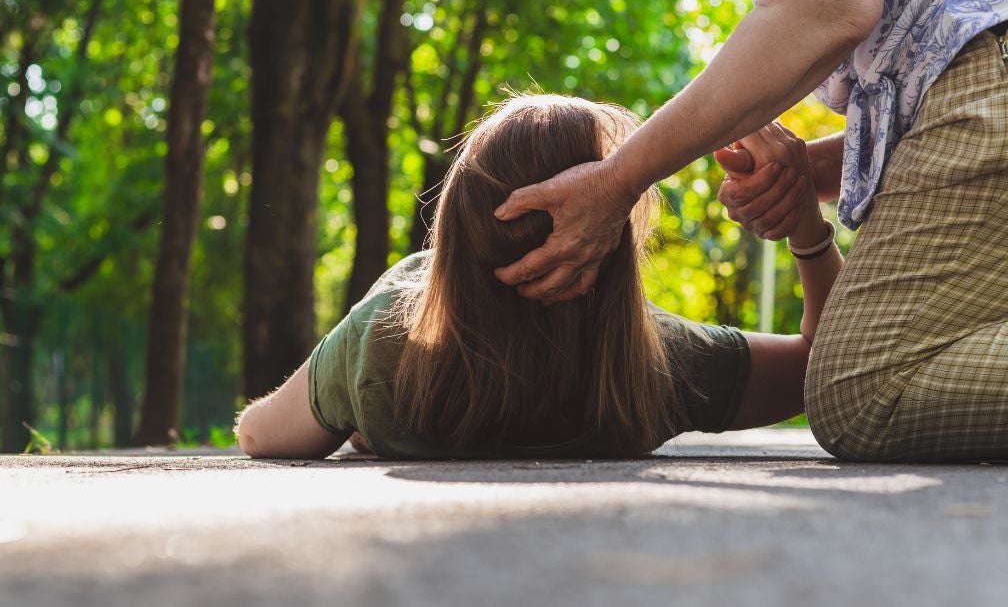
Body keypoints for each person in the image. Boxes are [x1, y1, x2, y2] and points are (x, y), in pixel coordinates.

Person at [491, 0, 1008, 461]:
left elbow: (828, 4)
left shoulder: (407, 325)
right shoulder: (671, 366)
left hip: (986, 65)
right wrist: (812, 179)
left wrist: (616, 180)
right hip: (981, 62)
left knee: (864, 393)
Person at [234, 94, 841, 460]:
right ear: (608, 245)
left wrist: (358, 399)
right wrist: (808, 233)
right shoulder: (657, 364)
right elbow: (826, 369)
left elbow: (259, 436)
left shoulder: (386, 342)